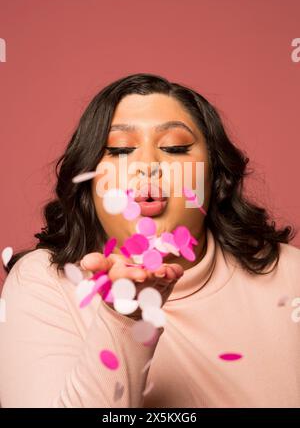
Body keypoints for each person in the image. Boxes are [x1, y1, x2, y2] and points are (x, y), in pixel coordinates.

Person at [0, 73, 299, 408]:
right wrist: (125, 320)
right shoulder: (43, 282)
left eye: (174, 148)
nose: (147, 167)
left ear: (215, 174)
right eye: (120, 150)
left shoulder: (292, 276)